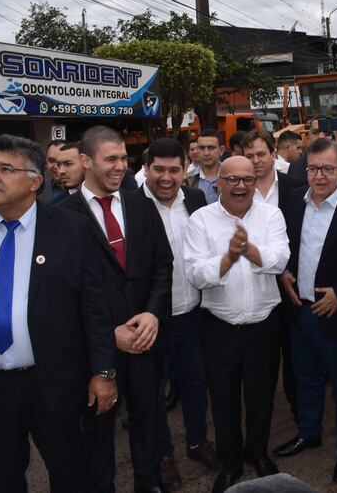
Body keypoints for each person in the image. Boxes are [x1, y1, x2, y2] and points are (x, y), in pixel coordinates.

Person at [0, 134, 118, 493]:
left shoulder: (70, 229)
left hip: (55, 382)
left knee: (71, 473)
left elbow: (94, 307)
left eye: (5, 169)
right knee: (1, 478)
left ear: (34, 182)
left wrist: (103, 371)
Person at [59, 126, 173, 493]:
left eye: (124, 158)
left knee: (147, 419)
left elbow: (162, 266)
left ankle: (149, 483)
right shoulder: (61, 217)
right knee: (97, 431)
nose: (120, 166)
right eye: (111, 158)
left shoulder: (142, 205)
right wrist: (109, 334)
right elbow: (61, 292)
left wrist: (153, 314)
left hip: (144, 340)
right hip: (96, 351)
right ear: (85, 160)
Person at [184, 156, 290, 492]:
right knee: (224, 396)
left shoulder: (271, 215)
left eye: (248, 179)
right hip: (219, 327)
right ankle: (230, 462)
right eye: (232, 179)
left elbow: (280, 259)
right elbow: (196, 274)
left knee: (261, 394)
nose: (241, 185)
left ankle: (257, 452)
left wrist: (250, 251)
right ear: (219, 183)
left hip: (263, 325)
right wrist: (229, 257)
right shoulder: (201, 220)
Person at [274, 138, 337, 483]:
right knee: (305, 378)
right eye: (313, 168)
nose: (319, 176)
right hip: (300, 309)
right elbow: (286, 245)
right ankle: (308, 433)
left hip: (336, 313)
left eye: (328, 168)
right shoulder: (295, 200)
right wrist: (284, 272)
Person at [140, 138, 219, 488]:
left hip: (193, 313)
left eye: (174, 169)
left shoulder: (198, 200)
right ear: (146, 170)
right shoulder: (132, 206)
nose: (167, 177)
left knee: (195, 382)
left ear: (186, 167)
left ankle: (197, 441)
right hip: (152, 319)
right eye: (159, 169)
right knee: (153, 391)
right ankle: (162, 454)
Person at [241, 130, 304, 419]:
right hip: (252, 287)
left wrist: (287, 271)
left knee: (294, 355)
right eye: (249, 155)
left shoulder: (295, 187)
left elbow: (302, 236)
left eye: (261, 154)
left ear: (273, 152)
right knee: (261, 360)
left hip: (290, 284)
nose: (255, 160)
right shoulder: (238, 190)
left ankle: (298, 409)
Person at [188, 129, 223, 204]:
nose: (206, 153)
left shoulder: (233, 176)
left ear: (221, 150)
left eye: (211, 148)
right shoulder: (188, 179)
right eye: (201, 148)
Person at [38, 140, 70, 204]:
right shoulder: (36, 191)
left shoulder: (89, 190)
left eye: (64, 161)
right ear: (45, 163)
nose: (56, 166)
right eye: (51, 161)